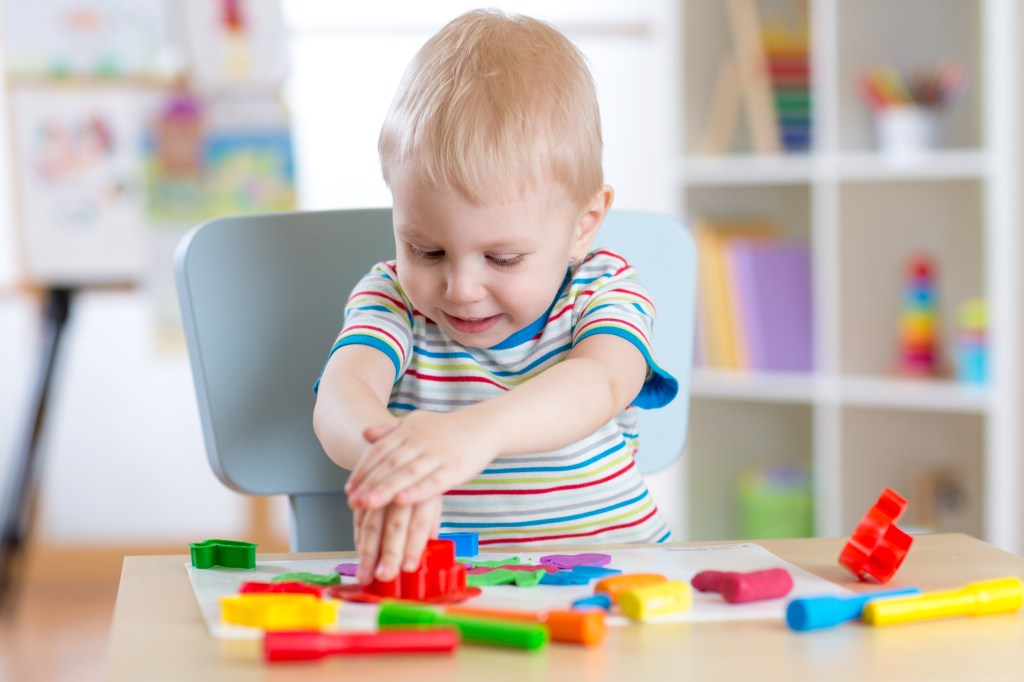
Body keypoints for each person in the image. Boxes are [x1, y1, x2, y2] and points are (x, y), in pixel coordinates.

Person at [312, 9, 679, 586]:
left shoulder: (603, 289)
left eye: (502, 259)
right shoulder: (393, 300)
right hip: (449, 589)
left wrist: (474, 433)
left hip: (615, 583)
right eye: (426, 251)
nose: (460, 289)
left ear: (583, 225)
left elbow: (602, 382)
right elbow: (343, 393)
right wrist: (388, 460)